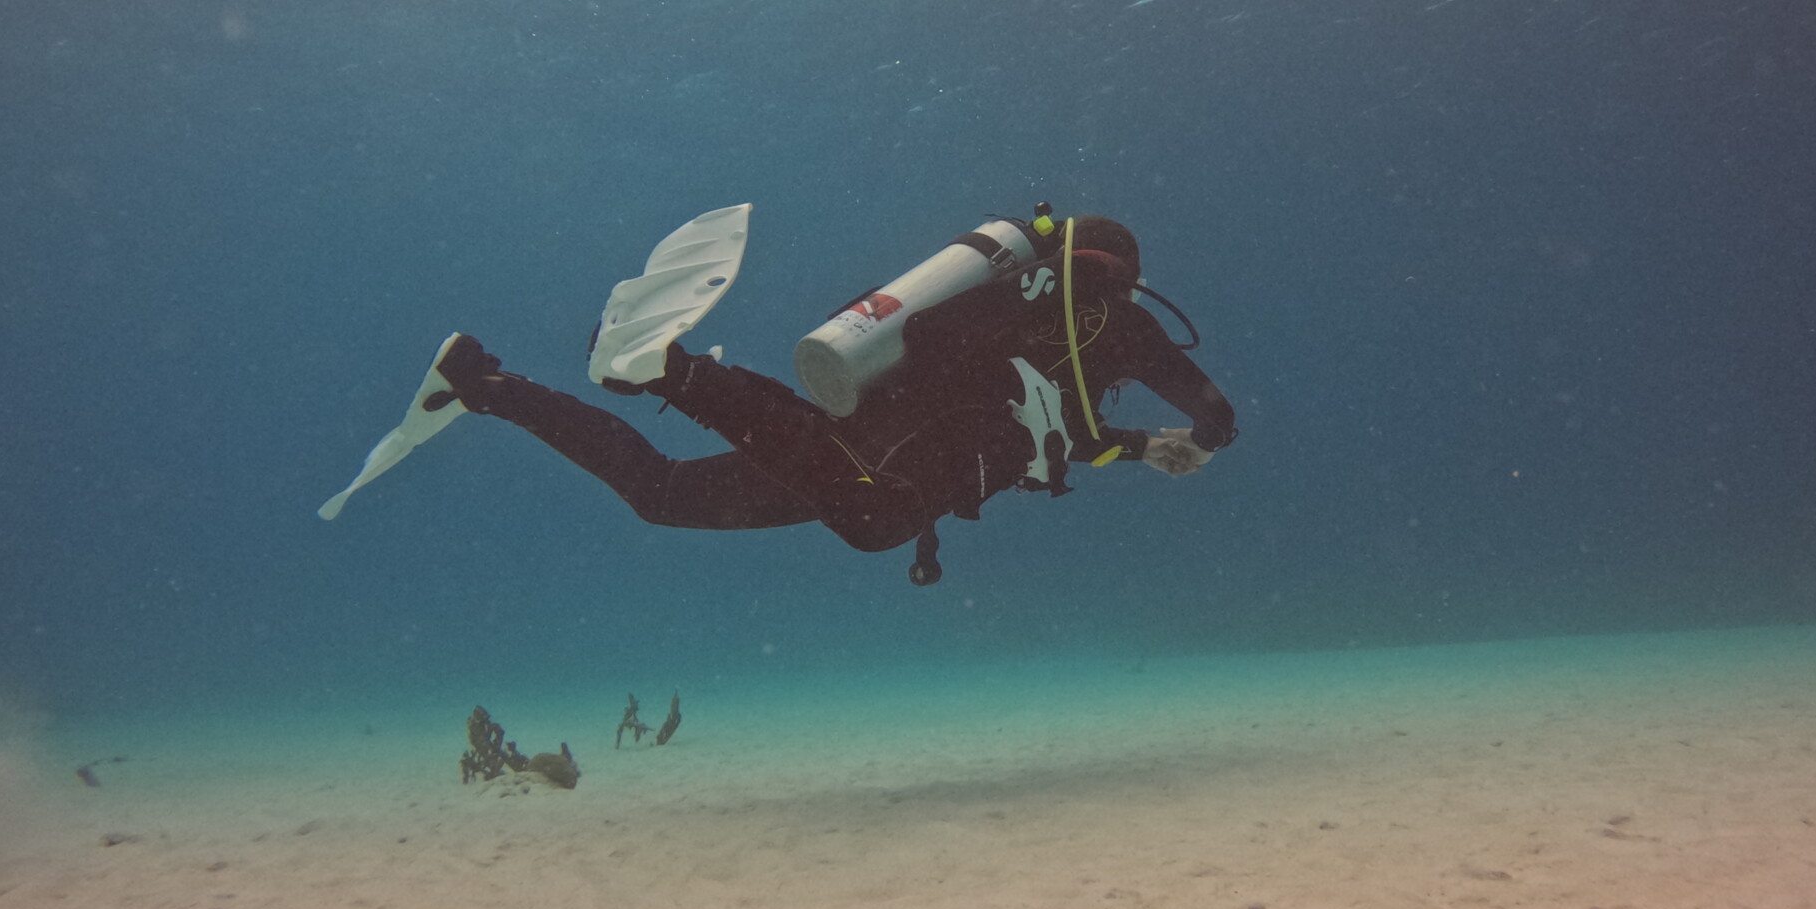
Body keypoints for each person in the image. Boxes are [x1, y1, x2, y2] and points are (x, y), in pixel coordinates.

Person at [428, 211, 1237, 585]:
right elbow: (1202, 401)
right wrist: (1209, 424)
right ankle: (666, 372)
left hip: (868, 441)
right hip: (907, 458)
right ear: (1120, 280)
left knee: (663, 495)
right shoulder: (1112, 324)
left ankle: (488, 386)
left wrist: (1141, 447)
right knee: (875, 518)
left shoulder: (1042, 318)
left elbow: (1060, 437)